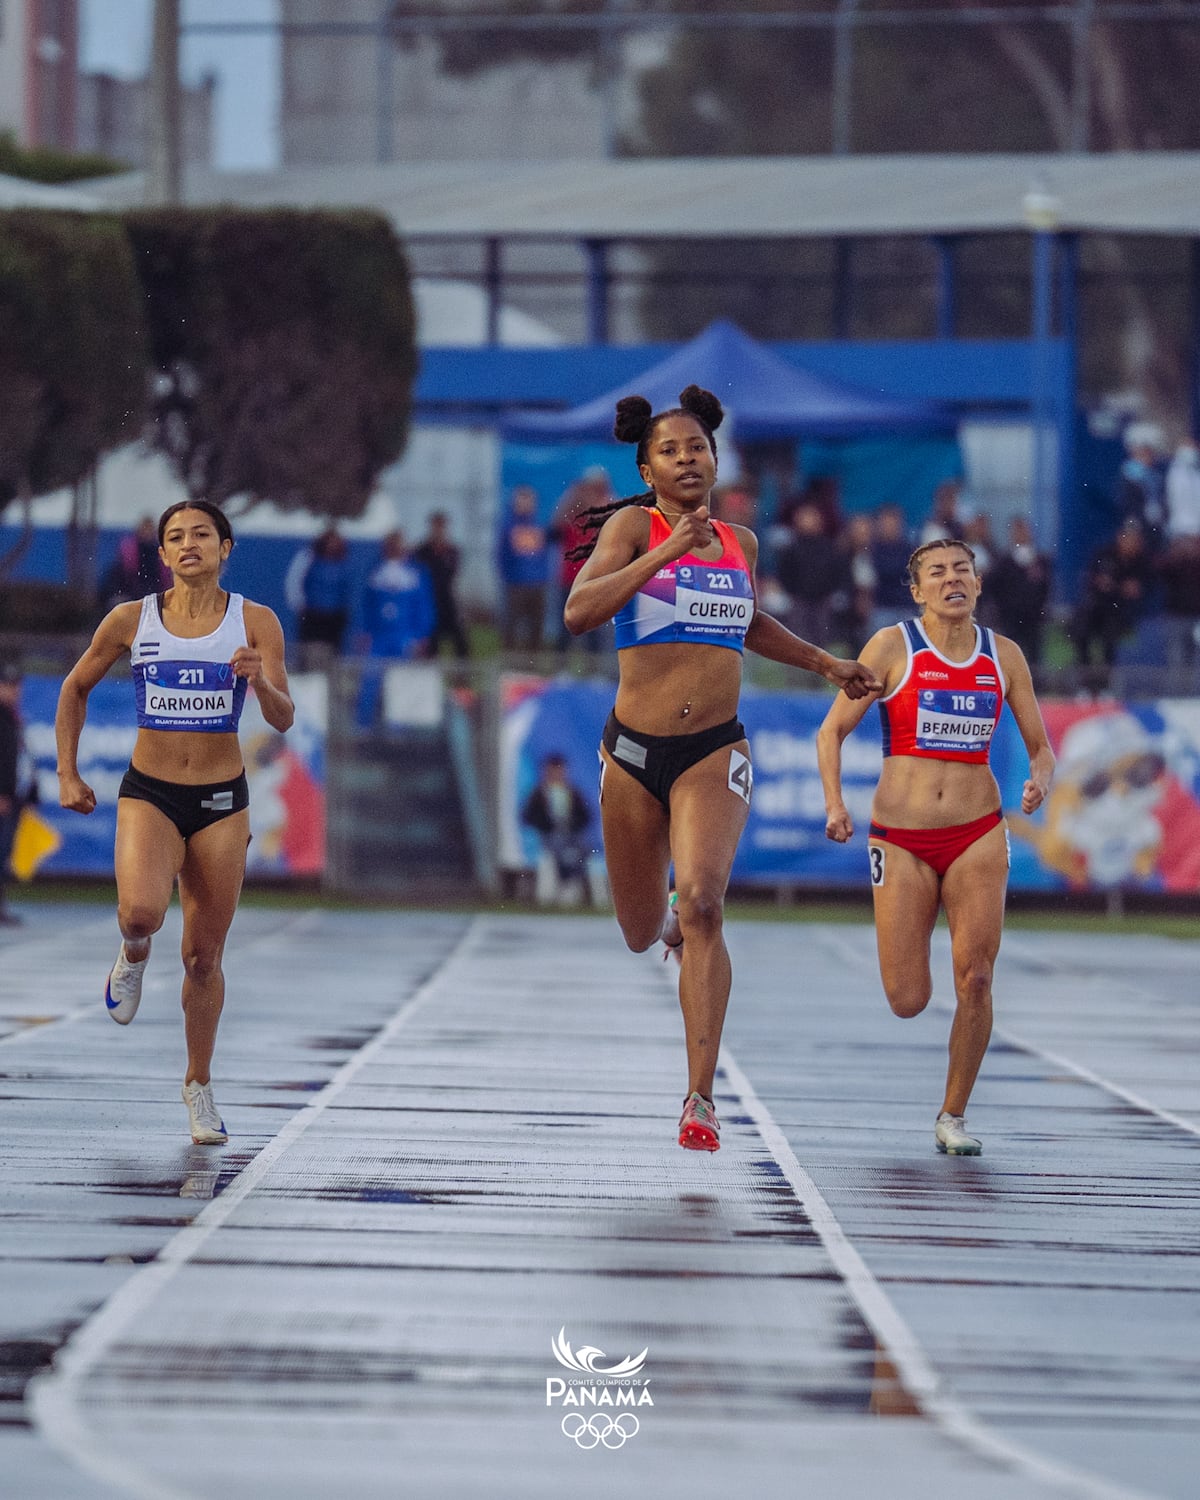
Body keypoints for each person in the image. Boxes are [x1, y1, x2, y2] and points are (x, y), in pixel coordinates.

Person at [564, 384, 881, 1154]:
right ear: (647, 469)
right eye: (669, 451)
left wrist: (826, 663)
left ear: (716, 460)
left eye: (697, 448)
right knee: (641, 932)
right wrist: (666, 552)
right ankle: (668, 910)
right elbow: (578, 611)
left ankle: (699, 1099)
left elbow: (749, 621)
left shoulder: (743, 542)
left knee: (706, 906)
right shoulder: (635, 528)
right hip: (633, 755)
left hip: (715, 749)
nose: (686, 459)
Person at [55, 500, 294, 1145]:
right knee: (140, 914)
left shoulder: (256, 621)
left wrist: (260, 683)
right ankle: (132, 954)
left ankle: (198, 1085)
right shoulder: (131, 619)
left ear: (225, 548)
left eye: (202, 535)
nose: (189, 544)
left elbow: (282, 717)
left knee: (202, 958)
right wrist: (68, 773)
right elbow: (74, 688)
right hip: (151, 792)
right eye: (176, 537)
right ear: (161, 554)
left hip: (221, 801)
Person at [816, 537, 1054, 1157]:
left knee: (977, 976)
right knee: (908, 999)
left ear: (978, 583)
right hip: (901, 838)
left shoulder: (1004, 655)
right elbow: (830, 732)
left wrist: (1040, 779)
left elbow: (1041, 747)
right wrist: (835, 804)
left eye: (963, 570)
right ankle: (937, 1070)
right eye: (939, 572)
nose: (953, 580)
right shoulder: (891, 647)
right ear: (917, 590)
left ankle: (953, 1114)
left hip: (977, 831)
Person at [1071, 520, 1154, 678]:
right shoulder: (1105, 554)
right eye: (1128, 538)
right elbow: (1092, 579)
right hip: (1097, 607)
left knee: (1110, 639)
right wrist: (1113, 585)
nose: (1131, 544)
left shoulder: (1142, 561)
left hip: (1121, 612)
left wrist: (1117, 587)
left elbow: (1142, 588)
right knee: (1081, 631)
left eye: (1135, 540)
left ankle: (1106, 682)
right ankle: (1086, 678)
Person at [520, 752, 594, 906]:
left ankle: (571, 889)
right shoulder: (538, 794)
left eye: (559, 770)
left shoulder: (573, 793)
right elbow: (528, 816)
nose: (556, 774)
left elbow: (585, 816)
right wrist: (545, 826)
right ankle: (558, 889)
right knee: (560, 849)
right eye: (553, 770)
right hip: (548, 836)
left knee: (579, 850)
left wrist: (572, 825)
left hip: (571, 836)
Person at [284, 527, 354, 670]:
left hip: (334, 616)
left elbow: (346, 590)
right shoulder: (308, 558)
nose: (332, 546)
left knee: (333, 656)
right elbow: (294, 582)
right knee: (310, 653)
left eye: (336, 543)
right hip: (313, 615)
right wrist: (299, 605)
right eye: (330, 542)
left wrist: (343, 612)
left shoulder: (343, 563)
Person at [987, 516, 1052, 666]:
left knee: (1034, 654)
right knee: (1010, 654)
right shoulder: (1003, 561)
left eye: (1024, 530)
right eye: (1017, 530)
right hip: (1010, 617)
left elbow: (1046, 587)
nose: (1021, 534)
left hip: (1034, 616)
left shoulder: (1040, 560)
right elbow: (994, 587)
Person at [497, 485, 552, 653]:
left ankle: (533, 662)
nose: (526, 504)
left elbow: (544, 553)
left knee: (536, 627)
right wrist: (508, 577)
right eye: (522, 500)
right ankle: (510, 660)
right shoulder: (508, 526)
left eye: (529, 500)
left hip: (537, 583)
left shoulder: (539, 524)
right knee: (511, 626)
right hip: (516, 584)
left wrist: (543, 575)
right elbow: (501, 555)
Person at [415, 511, 470, 659]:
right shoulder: (422, 551)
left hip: (447, 600)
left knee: (461, 640)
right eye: (436, 526)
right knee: (431, 642)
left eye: (441, 526)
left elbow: (452, 574)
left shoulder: (452, 551)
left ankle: (463, 672)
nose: (438, 530)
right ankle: (430, 669)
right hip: (429, 601)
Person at [0, 663, 27, 926]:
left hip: (12, 797)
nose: (13, 690)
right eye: (8, 685)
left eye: (16, 685)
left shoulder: (12, 717)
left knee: (4, 853)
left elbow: (19, 759)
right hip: (3, 797)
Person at [100, 515, 171, 609]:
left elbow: (165, 581)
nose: (147, 533)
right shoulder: (129, 553)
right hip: (131, 596)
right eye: (145, 529)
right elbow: (116, 578)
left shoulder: (159, 555)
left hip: (152, 597)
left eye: (149, 529)